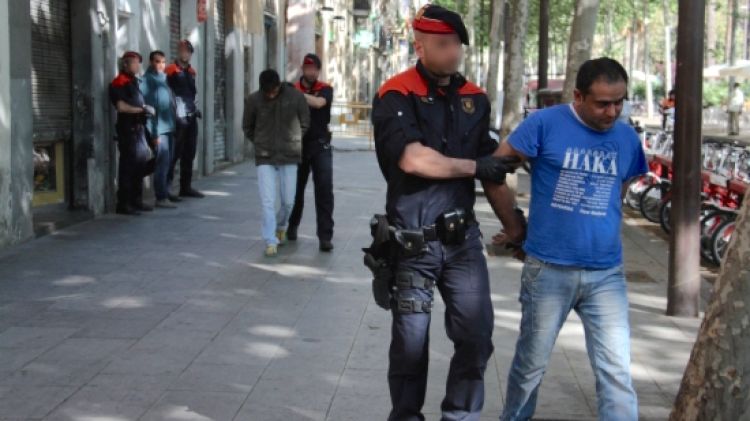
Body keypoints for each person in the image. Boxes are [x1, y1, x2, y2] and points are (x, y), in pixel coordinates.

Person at [370, 4, 525, 420]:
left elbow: (492, 173)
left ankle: (460, 416)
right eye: (443, 44)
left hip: (463, 244)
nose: (453, 52)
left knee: (477, 337)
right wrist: (475, 166)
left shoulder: (474, 98)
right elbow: (412, 159)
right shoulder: (394, 95)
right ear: (419, 46)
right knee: (410, 348)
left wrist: (516, 230)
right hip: (412, 243)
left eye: (457, 44)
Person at [495, 57, 647, 421]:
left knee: (616, 372)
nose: (613, 111)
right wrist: (515, 227)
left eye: (619, 102)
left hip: (606, 273)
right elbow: (495, 167)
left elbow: (619, 190)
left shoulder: (626, 137)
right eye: (603, 103)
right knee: (530, 368)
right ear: (578, 96)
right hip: (548, 270)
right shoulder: (544, 125)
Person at [243, 69, 310, 257]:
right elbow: (247, 126)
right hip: (265, 155)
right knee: (267, 200)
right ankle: (270, 240)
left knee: (289, 201)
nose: (271, 95)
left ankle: (281, 225)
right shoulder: (253, 100)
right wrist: (259, 141)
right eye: (267, 92)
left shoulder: (295, 97)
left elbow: (305, 122)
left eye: (274, 91)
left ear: (279, 86)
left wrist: (294, 139)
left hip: (289, 154)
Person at [287, 53, 335, 252]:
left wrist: (295, 95)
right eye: (308, 68)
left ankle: (325, 236)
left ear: (318, 70)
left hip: (320, 145)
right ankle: (292, 226)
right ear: (302, 69)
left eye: (314, 68)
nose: (311, 72)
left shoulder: (325, 89)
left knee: (324, 191)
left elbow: (319, 103)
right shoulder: (293, 88)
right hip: (297, 146)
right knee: (294, 191)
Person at [109, 51, 155, 215]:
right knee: (128, 168)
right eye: (134, 63)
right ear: (126, 65)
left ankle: (137, 200)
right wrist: (142, 109)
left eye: (138, 63)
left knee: (140, 167)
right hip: (128, 131)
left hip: (139, 130)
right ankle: (124, 203)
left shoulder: (134, 81)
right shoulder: (119, 82)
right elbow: (121, 107)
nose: (137, 66)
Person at [166, 40, 204, 198]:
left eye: (188, 51)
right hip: (178, 118)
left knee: (190, 152)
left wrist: (195, 108)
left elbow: (192, 93)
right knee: (175, 153)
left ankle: (185, 187)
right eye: (182, 50)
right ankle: (167, 188)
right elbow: (167, 94)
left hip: (191, 116)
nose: (185, 53)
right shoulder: (170, 70)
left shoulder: (192, 71)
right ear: (178, 51)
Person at [141, 50, 178, 208]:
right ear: (151, 62)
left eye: (163, 62)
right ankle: (160, 197)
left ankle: (165, 191)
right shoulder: (147, 81)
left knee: (167, 161)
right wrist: (154, 133)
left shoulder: (164, 79)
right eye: (157, 61)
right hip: (158, 130)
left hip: (168, 127)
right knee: (162, 162)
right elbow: (149, 110)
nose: (160, 65)